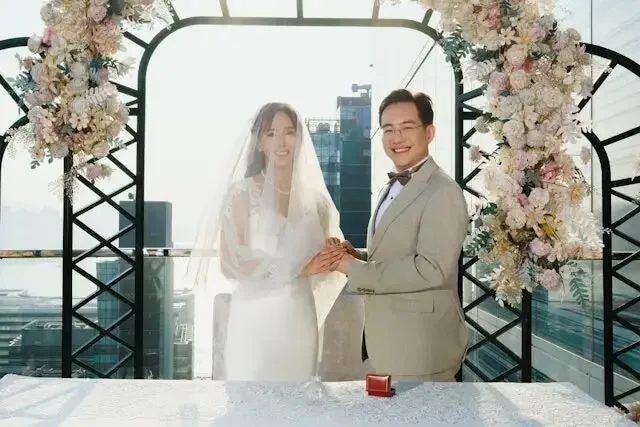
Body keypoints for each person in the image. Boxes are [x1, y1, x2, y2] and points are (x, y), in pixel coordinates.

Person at [190, 102, 348, 381]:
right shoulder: (241, 194)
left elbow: (321, 269)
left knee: (299, 397)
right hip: (255, 318)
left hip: (301, 319)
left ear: (300, 140)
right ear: (260, 143)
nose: (281, 142)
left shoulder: (318, 204)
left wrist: (332, 254)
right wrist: (297, 269)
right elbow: (230, 264)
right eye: (271, 133)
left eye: (289, 132)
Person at [328, 89, 469, 382]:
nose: (397, 138)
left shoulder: (443, 191)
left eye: (407, 127)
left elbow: (431, 269)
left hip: (421, 348)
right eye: (388, 129)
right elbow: (393, 253)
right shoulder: (389, 187)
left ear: (429, 133)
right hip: (387, 344)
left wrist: (354, 268)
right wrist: (358, 256)